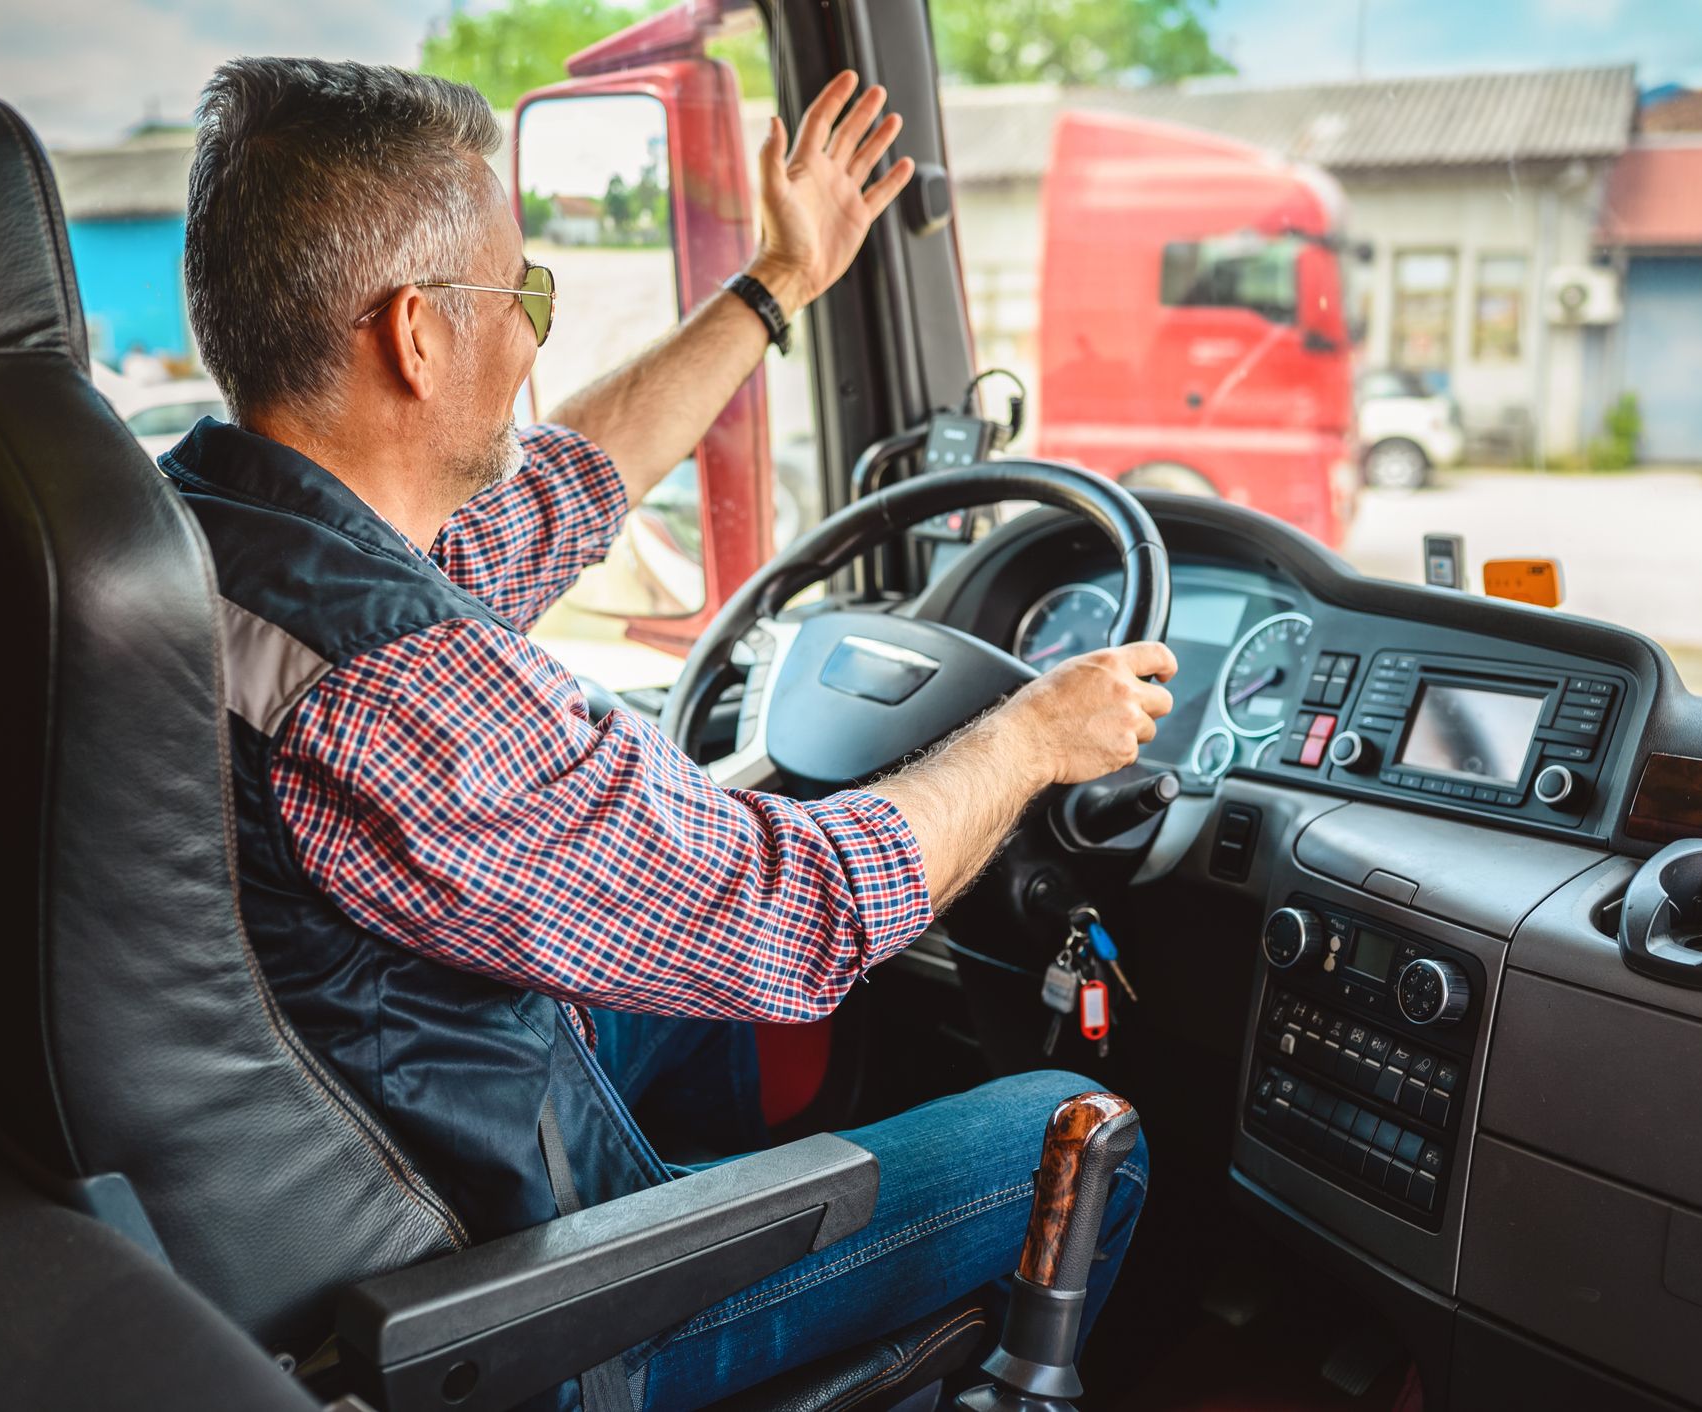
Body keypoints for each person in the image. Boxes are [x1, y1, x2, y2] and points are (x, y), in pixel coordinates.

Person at [161, 57, 1177, 1412]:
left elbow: (562, 493)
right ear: (414, 335)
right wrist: (1036, 736)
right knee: (1072, 1129)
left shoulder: (215, 531)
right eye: (520, 297)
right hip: (516, 1312)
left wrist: (779, 284)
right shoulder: (395, 686)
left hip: (347, 1163)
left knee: (687, 1016)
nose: (532, 341)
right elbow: (804, 911)